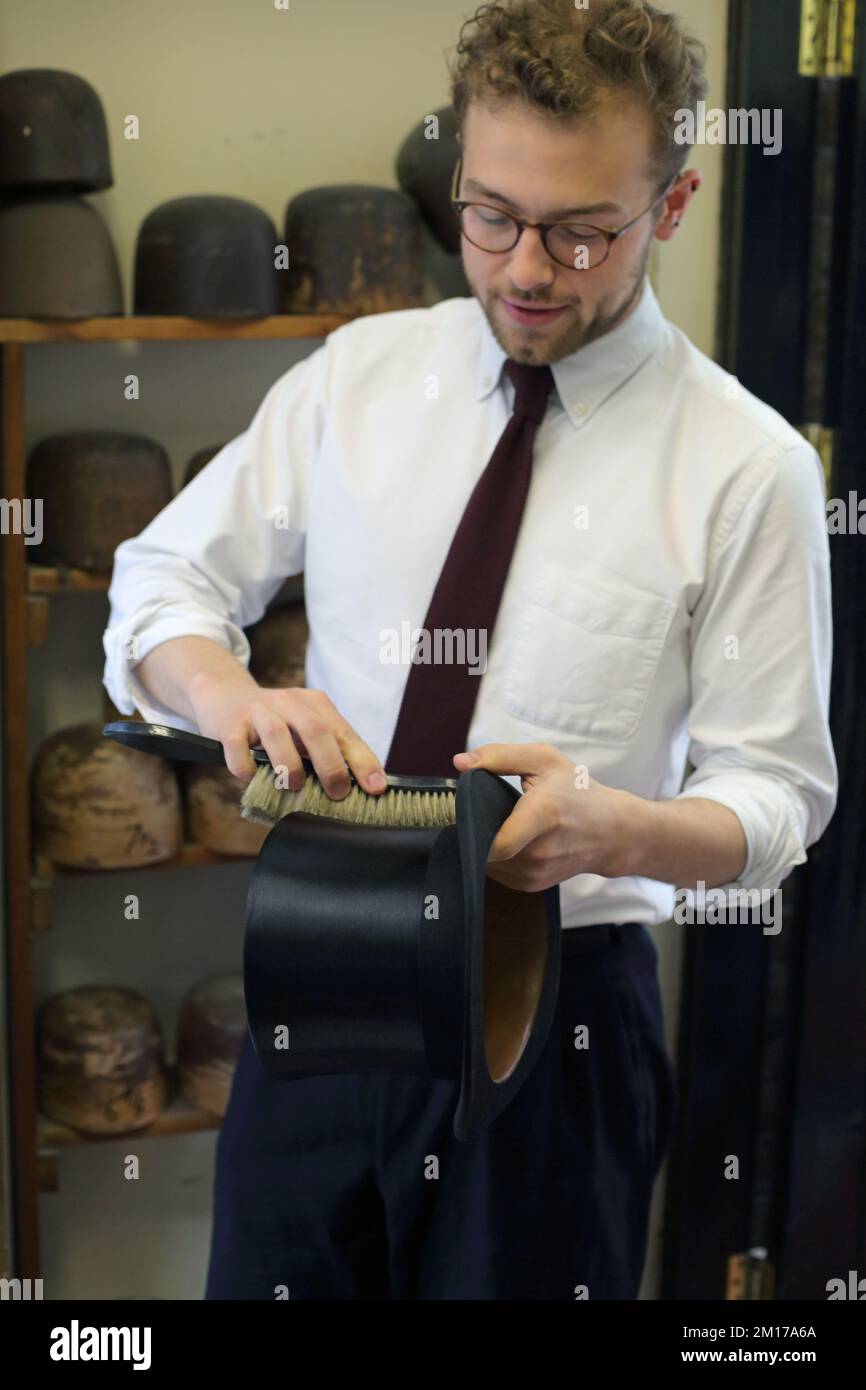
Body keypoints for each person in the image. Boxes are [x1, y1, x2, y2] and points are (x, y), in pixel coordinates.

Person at [102, 0, 837, 1300]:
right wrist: (224, 690)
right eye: (489, 215)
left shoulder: (748, 468)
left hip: (561, 1005)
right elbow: (160, 582)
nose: (523, 268)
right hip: (322, 959)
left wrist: (617, 825)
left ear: (670, 207)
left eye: (579, 230)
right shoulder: (356, 377)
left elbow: (776, 800)